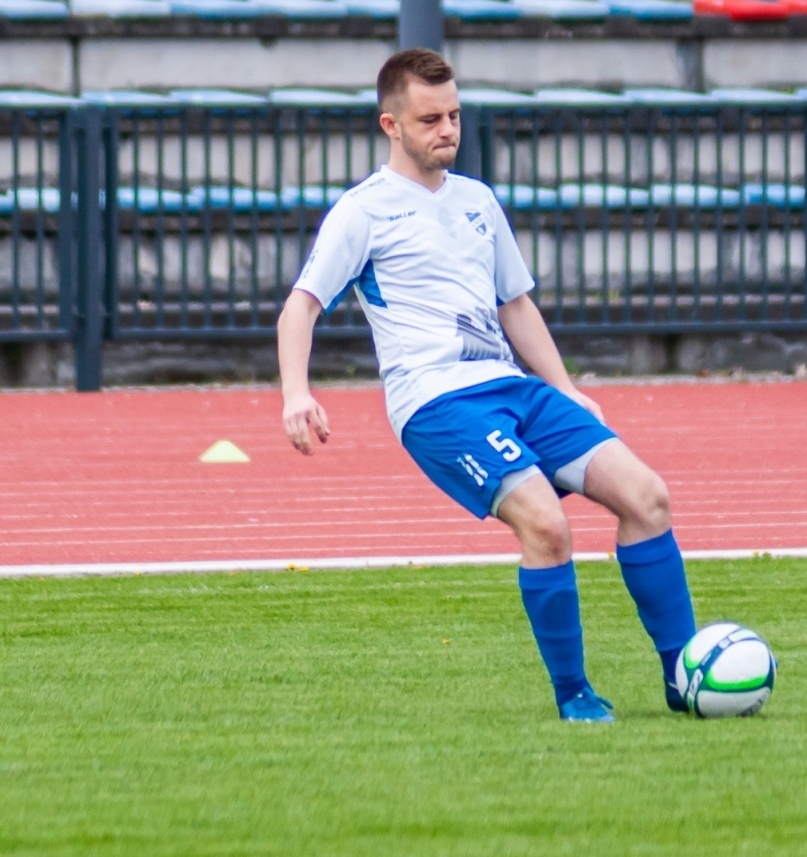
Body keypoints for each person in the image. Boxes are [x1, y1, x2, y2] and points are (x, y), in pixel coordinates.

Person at [276, 48, 696, 723]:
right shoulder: (363, 211)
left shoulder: (477, 200)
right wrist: (297, 393)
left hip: (511, 387)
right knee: (546, 525)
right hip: (436, 402)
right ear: (391, 125)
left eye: (454, 115)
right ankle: (574, 694)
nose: (447, 129)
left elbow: (515, 304)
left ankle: (685, 675)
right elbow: (301, 306)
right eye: (430, 119)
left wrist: (563, 387)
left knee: (648, 497)